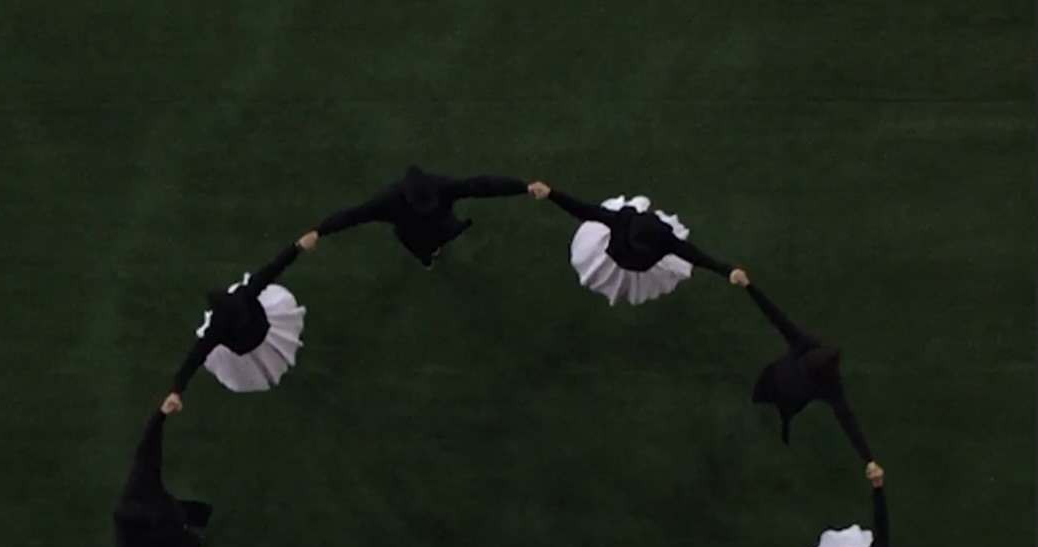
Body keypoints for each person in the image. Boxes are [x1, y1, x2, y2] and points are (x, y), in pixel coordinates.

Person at [528, 179, 746, 306]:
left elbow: (697, 257)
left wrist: (728, 272)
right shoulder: (621, 221)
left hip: (631, 261)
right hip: (615, 255)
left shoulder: (665, 241)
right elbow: (582, 210)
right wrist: (551, 194)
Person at [735, 275, 877, 462]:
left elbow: (848, 422)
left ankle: (782, 430)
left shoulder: (832, 387)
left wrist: (869, 460)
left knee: (784, 416)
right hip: (771, 380)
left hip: (791, 401)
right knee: (753, 402)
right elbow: (775, 315)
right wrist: (748, 286)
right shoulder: (803, 343)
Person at [167, 232, 315, 400]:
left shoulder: (216, 328)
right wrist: (297, 247)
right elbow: (273, 268)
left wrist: (176, 391)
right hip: (261, 333)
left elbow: (194, 359)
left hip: (249, 345)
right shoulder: (244, 295)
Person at [114, 398, 211, 547]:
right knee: (190, 543)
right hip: (164, 539)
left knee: (198, 513)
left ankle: (197, 523)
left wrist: (161, 414)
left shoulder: (142, 481)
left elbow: (148, 446)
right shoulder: (129, 544)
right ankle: (193, 541)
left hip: (171, 510)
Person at [314, 164, 531, 267]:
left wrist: (523, 187)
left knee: (435, 242)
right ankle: (428, 257)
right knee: (423, 252)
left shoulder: (442, 186)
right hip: (414, 236)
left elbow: (482, 186)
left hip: (441, 227)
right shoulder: (386, 202)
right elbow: (353, 216)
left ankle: (432, 252)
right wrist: (320, 231)